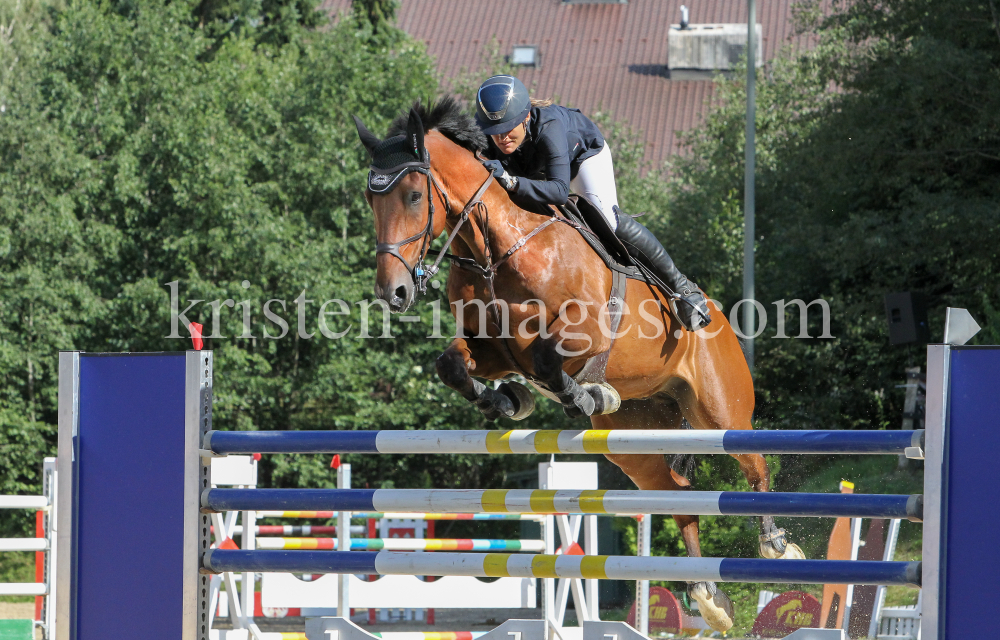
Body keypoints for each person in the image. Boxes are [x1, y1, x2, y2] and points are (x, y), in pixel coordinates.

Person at [474, 75, 711, 331]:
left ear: (526, 117)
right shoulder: (494, 133)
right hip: (535, 167)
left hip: (582, 158)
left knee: (607, 218)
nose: (501, 137)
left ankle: (682, 287)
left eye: (508, 127)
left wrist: (511, 181)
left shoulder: (549, 128)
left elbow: (559, 192)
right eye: (494, 131)